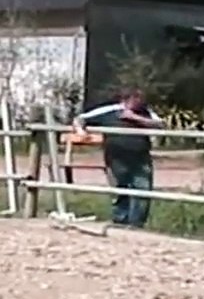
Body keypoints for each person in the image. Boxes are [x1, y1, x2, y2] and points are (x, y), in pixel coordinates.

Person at [71, 87, 165, 227]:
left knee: (143, 189)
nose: (139, 104)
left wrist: (136, 118)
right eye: (136, 100)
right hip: (116, 157)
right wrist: (80, 131)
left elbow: (161, 124)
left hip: (140, 157)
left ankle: (136, 223)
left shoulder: (145, 112)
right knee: (119, 189)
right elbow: (80, 119)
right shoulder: (110, 111)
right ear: (126, 100)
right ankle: (120, 221)